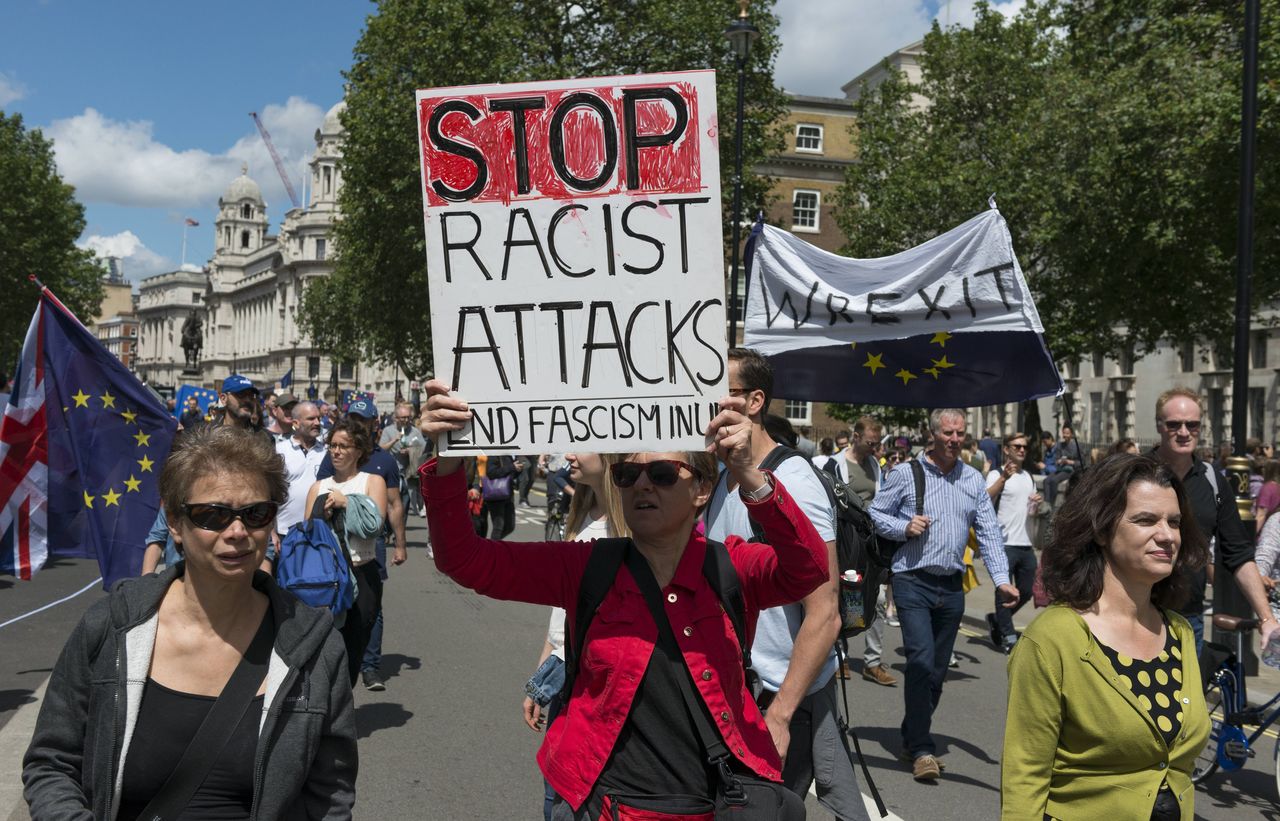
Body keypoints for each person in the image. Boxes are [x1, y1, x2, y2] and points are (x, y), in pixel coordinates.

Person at [420, 378, 828, 821]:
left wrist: (751, 476)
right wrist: (446, 459)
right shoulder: (586, 567)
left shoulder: (731, 565)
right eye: (627, 475)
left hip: (713, 805)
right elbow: (464, 560)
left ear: (702, 490)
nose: (642, 486)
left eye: (663, 474)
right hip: (607, 806)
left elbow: (808, 569)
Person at [24, 426, 357, 819]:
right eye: (213, 515)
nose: (237, 532)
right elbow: (52, 763)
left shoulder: (316, 649)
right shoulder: (112, 627)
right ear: (175, 524)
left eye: (255, 514)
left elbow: (330, 796)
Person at [705, 349, 871, 819]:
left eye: (725, 392)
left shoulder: (795, 481)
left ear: (755, 402)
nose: (710, 402)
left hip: (775, 699)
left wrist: (780, 715)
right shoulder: (723, 476)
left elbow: (825, 611)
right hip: (732, 694)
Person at [1001, 454, 1211, 820]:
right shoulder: (1053, 639)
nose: (1166, 535)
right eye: (1146, 520)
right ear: (1101, 530)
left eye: (1174, 522)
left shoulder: (1178, 631)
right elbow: (1025, 774)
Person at [869, 408, 1018, 782]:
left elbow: (988, 533)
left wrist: (1002, 580)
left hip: (952, 586)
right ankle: (921, 748)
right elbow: (874, 515)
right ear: (933, 434)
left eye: (960, 434)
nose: (954, 440)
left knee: (936, 673)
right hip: (912, 580)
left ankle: (911, 733)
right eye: (948, 433)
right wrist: (904, 526)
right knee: (919, 661)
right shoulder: (906, 473)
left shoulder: (972, 479)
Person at [522, 451, 631, 821]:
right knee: (555, 790)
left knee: (577, 796)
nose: (568, 453)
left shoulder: (630, 527)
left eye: (580, 443)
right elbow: (562, 611)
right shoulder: (582, 513)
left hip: (599, 684)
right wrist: (541, 674)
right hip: (563, 673)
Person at [1149, 387, 1278, 653]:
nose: (1184, 432)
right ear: (1160, 426)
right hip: (1136, 612)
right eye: (1174, 424)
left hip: (1188, 617)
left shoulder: (1213, 480)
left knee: (1186, 695)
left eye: (1192, 425)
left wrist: (1267, 619)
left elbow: (1238, 554)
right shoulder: (1135, 473)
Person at [305, 417, 389, 687]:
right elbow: (308, 534)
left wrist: (347, 503)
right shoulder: (318, 487)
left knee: (354, 647)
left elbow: (374, 527)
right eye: (332, 445)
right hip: (326, 578)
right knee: (325, 647)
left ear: (359, 451)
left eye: (343, 446)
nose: (336, 451)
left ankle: (342, 702)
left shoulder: (372, 481)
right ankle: (326, 707)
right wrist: (322, 513)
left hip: (362, 573)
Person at [984, 432, 1042, 653]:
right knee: (1004, 592)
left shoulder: (1028, 476)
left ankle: (998, 621)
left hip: (1025, 543)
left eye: (1024, 447)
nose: (1021, 450)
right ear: (1006, 449)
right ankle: (1008, 636)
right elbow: (986, 497)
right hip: (1004, 543)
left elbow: (1031, 512)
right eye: (1017, 446)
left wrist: (1036, 503)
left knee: (1027, 590)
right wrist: (1003, 480)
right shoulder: (997, 474)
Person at [275, 401, 326, 540]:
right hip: (284, 532)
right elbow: (268, 493)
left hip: (317, 532)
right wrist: (271, 532)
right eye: (311, 418)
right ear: (296, 423)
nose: (317, 422)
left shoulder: (327, 453)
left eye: (319, 418)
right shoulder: (279, 451)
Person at [1044, 425, 1087, 507]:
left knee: (1054, 481)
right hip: (1061, 468)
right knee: (1046, 480)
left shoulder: (1077, 446)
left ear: (1071, 434)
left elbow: (1082, 462)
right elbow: (1056, 459)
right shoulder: (1060, 445)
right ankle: (1046, 502)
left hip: (1071, 470)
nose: (1065, 435)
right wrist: (1059, 461)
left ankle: (1051, 504)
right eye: (1064, 433)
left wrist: (1069, 462)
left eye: (1067, 433)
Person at [1255, 459, 1280, 536]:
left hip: (1266, 534)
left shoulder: (1267, 488)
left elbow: (1261, 515)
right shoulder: (1277, 487)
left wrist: (1251, 536)